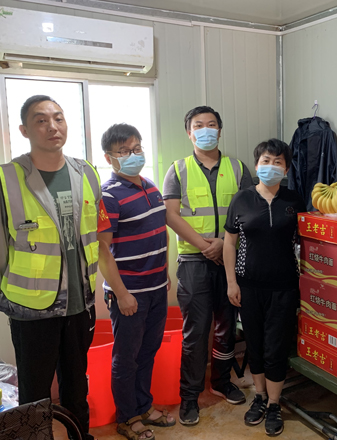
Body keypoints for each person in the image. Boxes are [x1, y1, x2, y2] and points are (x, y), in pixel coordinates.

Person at [0, 95, 111, 440]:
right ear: (24, 130)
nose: (53, 126)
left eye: (59, 118)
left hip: (79, 305)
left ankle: (80, 436)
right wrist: (10, 291)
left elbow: (95, 234)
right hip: (31, 309)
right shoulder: (6, 178)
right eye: (41, 120)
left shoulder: (86, 172)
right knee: (35, 394)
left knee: (76, 385)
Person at [162, 105, 253, 425]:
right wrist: (205, 245)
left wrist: (224, 244)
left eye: (211, 124)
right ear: (189, 133)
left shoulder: (238, 168)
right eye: (198, 125)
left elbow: (250, 212)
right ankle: (189, 396)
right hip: (193, 261)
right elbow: (171, 215)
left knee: (227, 327)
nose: (205, 130)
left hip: (229, 258)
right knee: (196, 332)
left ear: (220, 130)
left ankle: (222, 381)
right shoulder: (178, 170)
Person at [223, 139, 306, 436]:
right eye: (266, 161)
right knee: (255, 345)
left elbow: (306, 242)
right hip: (248, 286)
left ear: (287, 168)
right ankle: (258, 397)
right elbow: (229, 243)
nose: (271, 166)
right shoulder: (241, 199)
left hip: (284, 287)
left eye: (278, 162)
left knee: (276, 347)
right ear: (257, 165)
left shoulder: (295, 200)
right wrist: (232, 282)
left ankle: (274, 403)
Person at [98, 124, 175, 440]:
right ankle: (127, 418)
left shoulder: (150, 186)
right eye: (124, 151)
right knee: (126, 359)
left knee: (148, 352)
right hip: (130, 293)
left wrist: (164, 271)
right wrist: (121, 293)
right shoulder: (108, 195)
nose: (133, 155)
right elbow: (102, 249)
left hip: (156, 287)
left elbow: (160, 232)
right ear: (109, 157)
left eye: (137, 148)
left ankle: (143, 406)